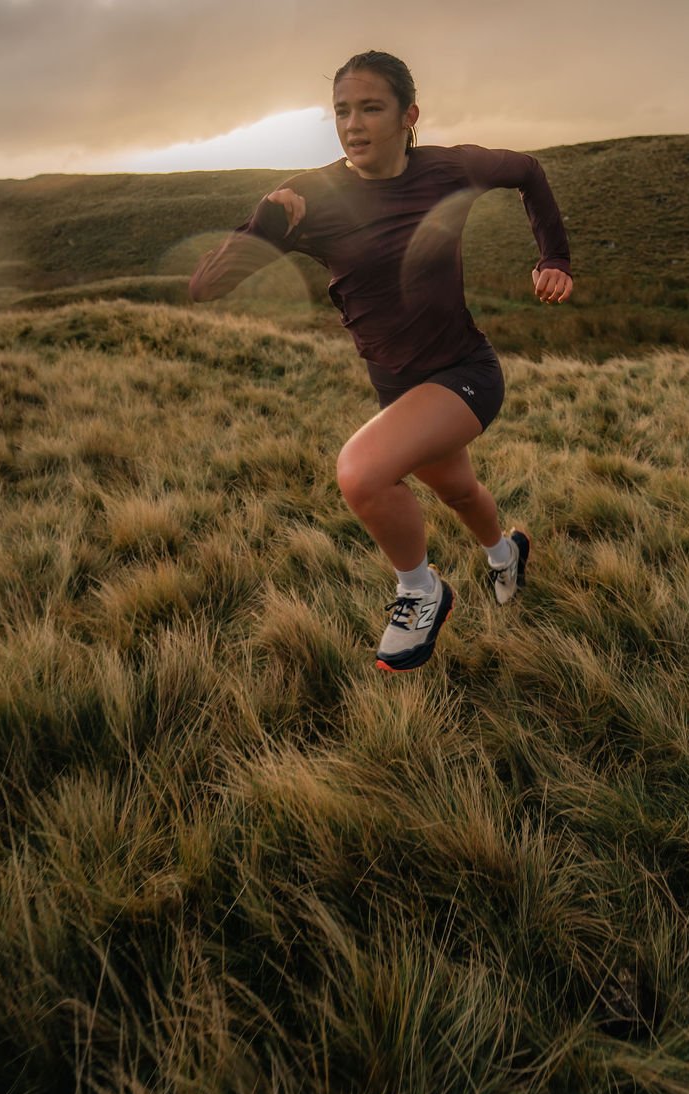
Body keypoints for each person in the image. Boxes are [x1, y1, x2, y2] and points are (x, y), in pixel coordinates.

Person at [189, 50, 573, 672]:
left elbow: (528, 170)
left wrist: (553, 256)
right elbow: (205, 288)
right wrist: (259, 228)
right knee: (459, 490)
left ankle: (421, 592)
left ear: (407, 116)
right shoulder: (310, 197)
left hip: (466, 374)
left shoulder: (449, 169)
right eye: (342, 111)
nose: (354, 124)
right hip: (397, 387)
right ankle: (505, 554)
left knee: (362, 473)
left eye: (371, 108)